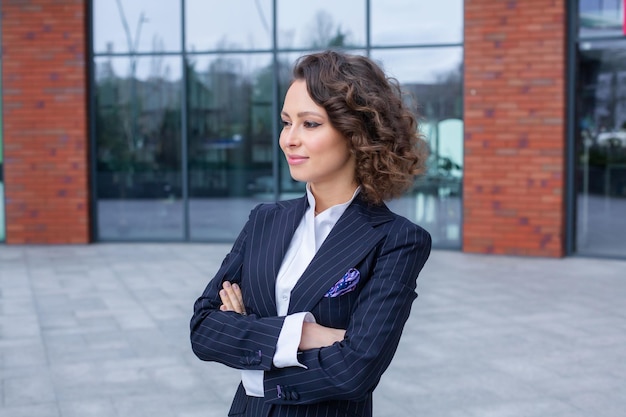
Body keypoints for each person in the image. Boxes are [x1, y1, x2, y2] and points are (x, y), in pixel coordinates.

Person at [190, 50, 432, 417]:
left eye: (310, 124)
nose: (289, 139)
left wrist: (255, 372)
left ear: (356, 132)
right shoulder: (265, 220)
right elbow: (205, 327)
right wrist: (306, 335)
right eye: (286, 122)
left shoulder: (395, 240)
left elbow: (356, 370)